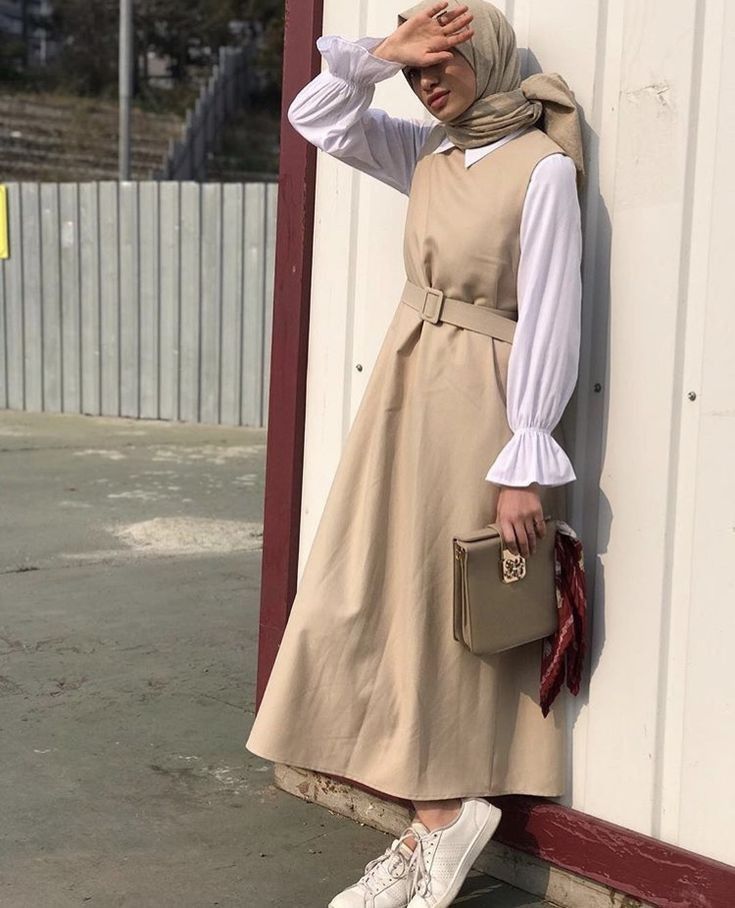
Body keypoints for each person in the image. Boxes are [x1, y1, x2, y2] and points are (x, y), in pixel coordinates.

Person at [246, 1, 584, 905]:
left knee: (442, 604)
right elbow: (317, 117)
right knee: (372, 586)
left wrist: (524, 458)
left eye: (442, 63)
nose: (427, 82)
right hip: (403, 384)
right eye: (415, 70)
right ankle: (430, 823)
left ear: (488, 58)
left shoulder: (540, 168)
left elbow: (551, 314)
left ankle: (439, 819)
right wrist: (377, 53)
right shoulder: (428, 152)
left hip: (479, 398)